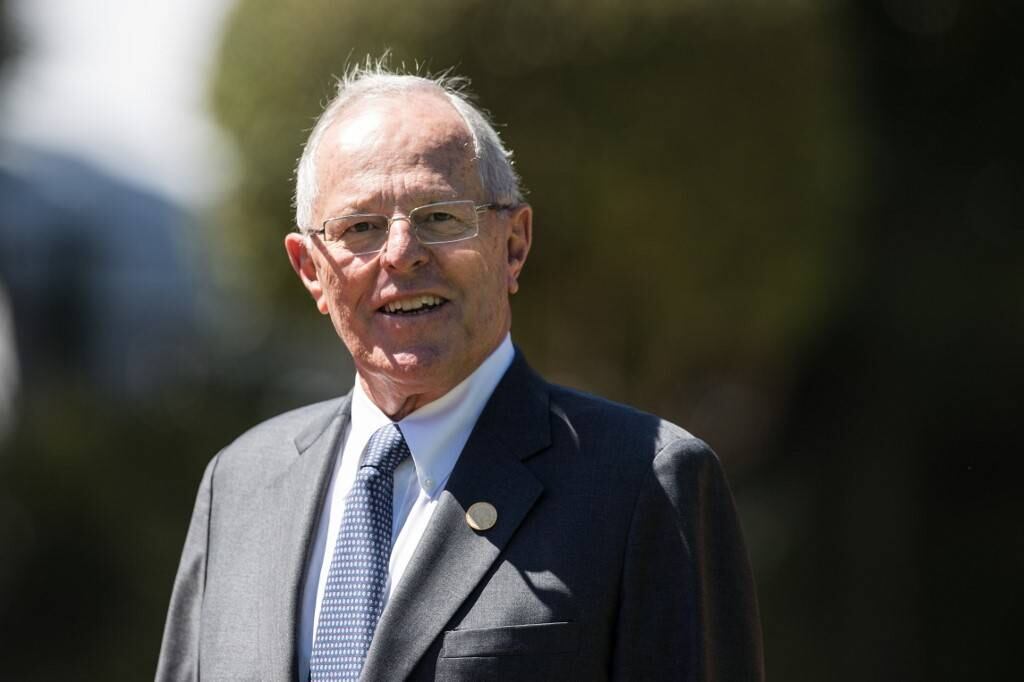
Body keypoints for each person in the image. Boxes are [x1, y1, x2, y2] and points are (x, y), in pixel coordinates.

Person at [156, 61, 764, 681]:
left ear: (514, 245)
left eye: (440, 217)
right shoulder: (240, 484)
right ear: (312, 269)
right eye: (360, 228)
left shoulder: (644, 483)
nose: (401, 254)